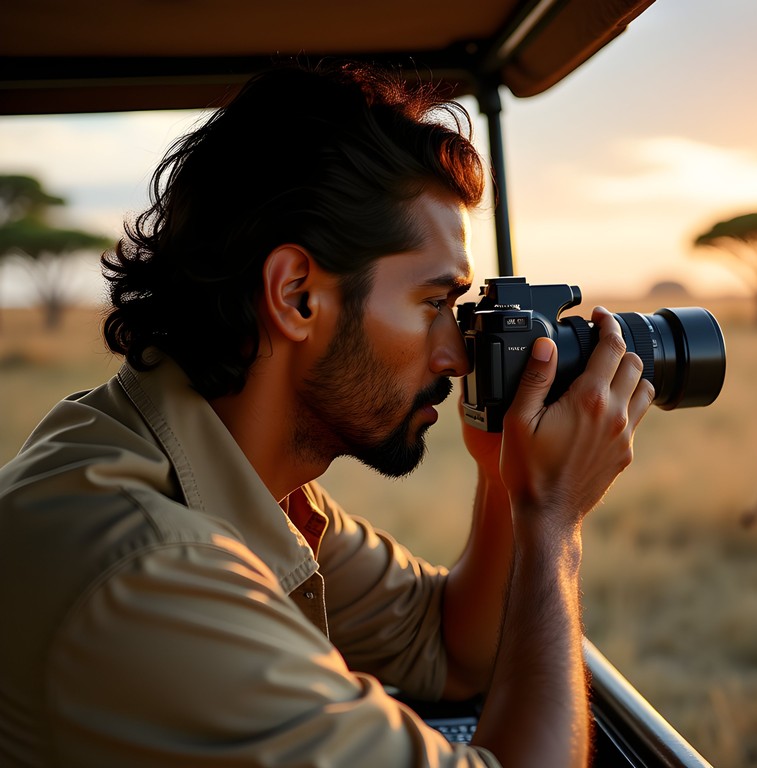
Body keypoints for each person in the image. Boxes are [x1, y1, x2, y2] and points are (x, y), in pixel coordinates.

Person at [0, 63, 654, 767]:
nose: (455, 355)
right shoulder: (152, 574)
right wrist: (553, 521)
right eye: (435, 303)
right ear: (297, 296)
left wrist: (506, 476)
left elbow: (449, 648)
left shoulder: (216, 467)